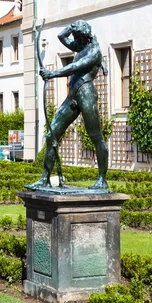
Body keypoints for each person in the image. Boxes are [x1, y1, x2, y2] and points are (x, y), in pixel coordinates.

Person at [28, 20, 109, 190]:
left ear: (84, 37)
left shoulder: (94, 51)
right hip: (73, 95)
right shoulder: (81, 47)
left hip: (86, 94)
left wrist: (52, 73)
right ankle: (45, 178)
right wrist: (72, 27)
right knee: (52, 135)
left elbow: (75, 67)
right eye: (75, 37)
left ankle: (102, 179)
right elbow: (61, 36)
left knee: (96, 137)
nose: (75, 40)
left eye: (78, 37)